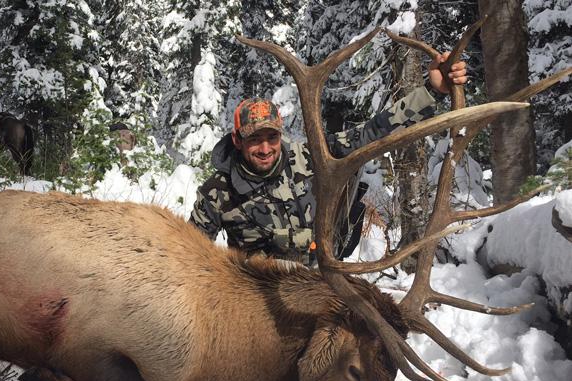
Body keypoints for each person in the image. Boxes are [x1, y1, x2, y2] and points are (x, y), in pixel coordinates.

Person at [189, 53, 468, 265]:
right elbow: (190, 255)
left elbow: (372, 131)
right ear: (237, 140)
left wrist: (430, 91)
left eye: (271, 138)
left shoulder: (311, 157)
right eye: (254, 140)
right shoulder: (217, 193)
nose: (265, 149)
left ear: (280, 135)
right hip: (258, 300)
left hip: (322, 280)